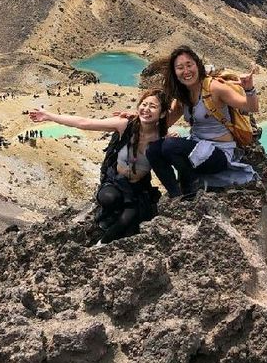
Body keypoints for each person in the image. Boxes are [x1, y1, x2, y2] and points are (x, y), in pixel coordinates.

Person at [29, 88, 169, 245]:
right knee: (109, 199)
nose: (146, 109)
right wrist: (49, 116)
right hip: (116, 181)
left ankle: (100, 244)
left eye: (153, 106)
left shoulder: (162, 138)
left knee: (129, 219)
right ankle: (108, 221)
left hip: (137, 189)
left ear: (162, 114)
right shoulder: (125, 125)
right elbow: (85, 123)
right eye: (144, 104)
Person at [146, 46, 258, 197]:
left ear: (197, 65)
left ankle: (190, 186)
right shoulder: (182, 95)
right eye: (180, 67)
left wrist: (249, 89)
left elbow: (250, 107)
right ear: (175, 73)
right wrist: (137, 117)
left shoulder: (214, 87)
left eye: (189, 65)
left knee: (170, 145)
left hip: (218, 154)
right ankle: (176, 194)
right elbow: (166, 122)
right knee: (152, 150)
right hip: (196, 147)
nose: (186, 71)